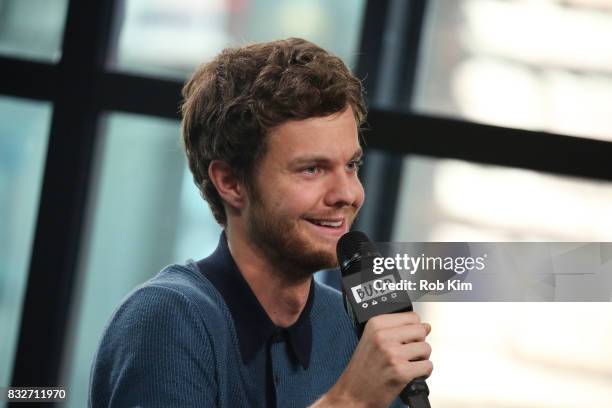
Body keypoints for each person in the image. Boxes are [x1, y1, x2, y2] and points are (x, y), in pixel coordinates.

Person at [89, 38, 432, 408]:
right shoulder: (167, 318)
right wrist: (348, 401)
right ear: (231, 182)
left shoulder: (353, 330)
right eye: (312, 169)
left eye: (351, 165)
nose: (347, 193)